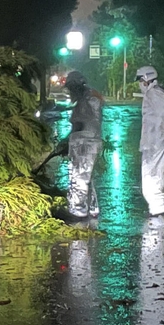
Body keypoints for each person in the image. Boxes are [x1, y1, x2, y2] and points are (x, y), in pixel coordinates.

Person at [136, 65, 164, 217]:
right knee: (154, 173)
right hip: (154, 141)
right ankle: (159, 205)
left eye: (140, 80)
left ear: (146, 80)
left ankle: (159, 206)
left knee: (151, 175)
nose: (139, 84)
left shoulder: (154, 94)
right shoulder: (154, 93)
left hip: (156, 142)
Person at [65, 71, 104, 220]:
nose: (69, 92)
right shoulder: (88, 97)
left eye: (70, 88)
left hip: (85, 143)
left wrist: (70, 137)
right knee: (87, 176)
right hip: (87, 141)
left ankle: (78, 211)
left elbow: (81, 122)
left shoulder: (88, 99)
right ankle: (92, 207)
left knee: (80, 176)